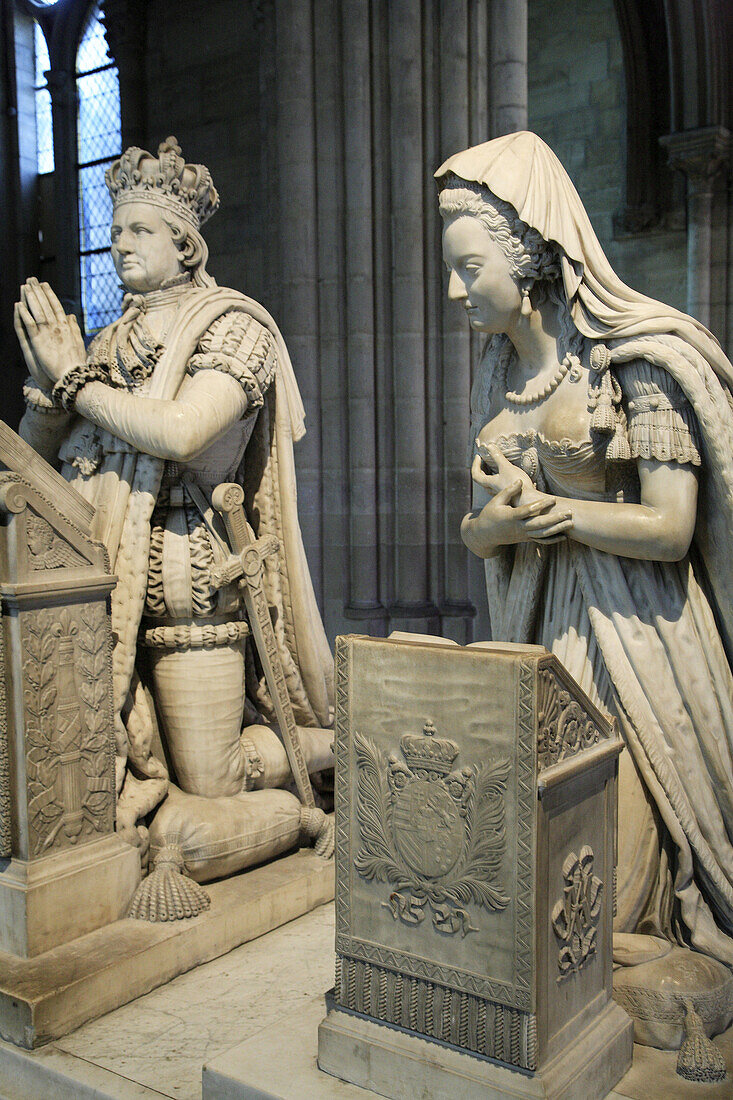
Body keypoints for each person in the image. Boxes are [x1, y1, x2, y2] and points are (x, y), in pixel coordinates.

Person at [436, 131, 733, 968]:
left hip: (638, 639)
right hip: (536, 633)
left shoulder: (629, 360)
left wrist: (557, 514)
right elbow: (476, 530)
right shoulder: (492, 373)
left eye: (468, 270)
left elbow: (671, 529)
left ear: (525, 258)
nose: (457, 291)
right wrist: (501, 527)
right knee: (515, 875)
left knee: (602, 891)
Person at [14, 137, 333, 913]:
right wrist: (47, 395)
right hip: (101, 581)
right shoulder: (106, 342)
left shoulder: (234, 329)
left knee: (212, 775)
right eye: (115, 229)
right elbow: (34, 467)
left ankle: (337, 756)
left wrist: (76, 383)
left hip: (194, 586)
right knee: (130, 764)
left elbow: (184, 432)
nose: (119, 242)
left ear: (185, 243)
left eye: (139, 230)